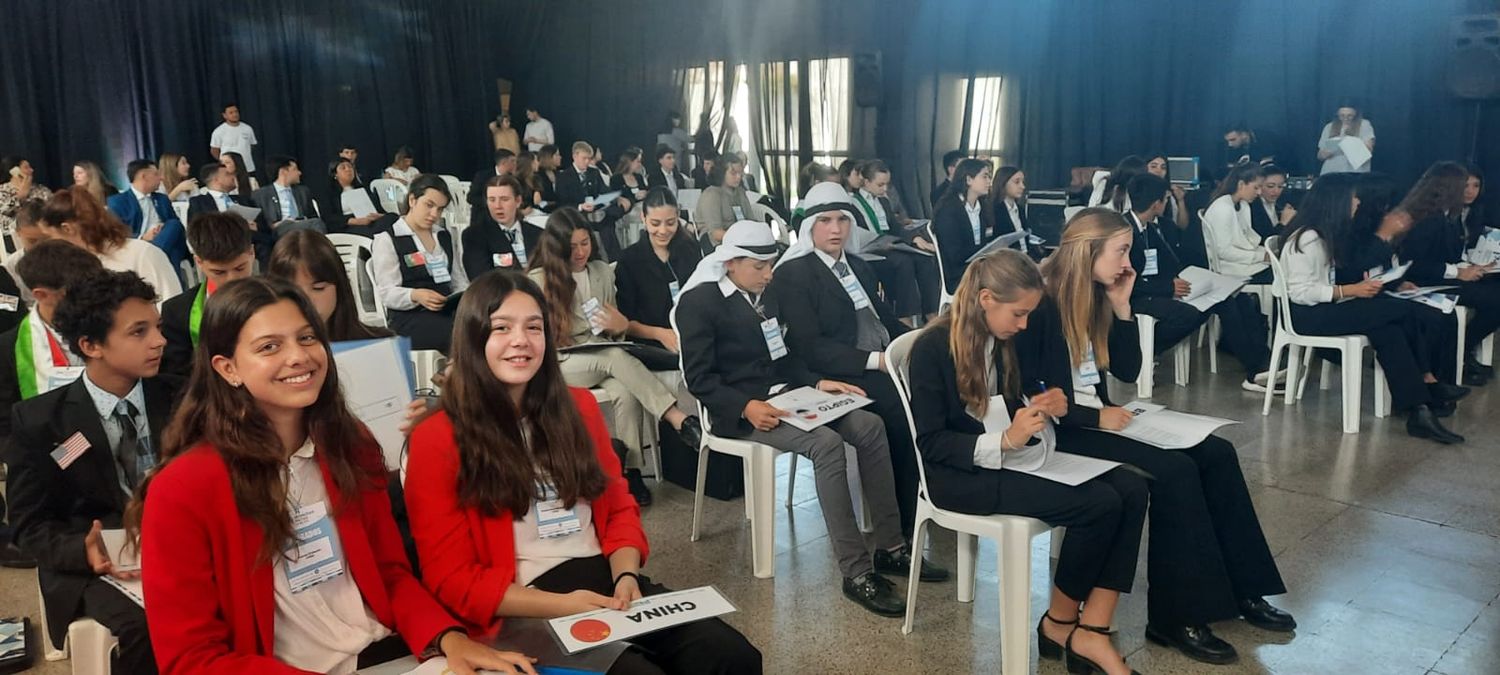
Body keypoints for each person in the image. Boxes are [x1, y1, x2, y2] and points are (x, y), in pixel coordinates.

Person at [133, 276, 535, 674]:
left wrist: (450, 638)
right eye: (270, 346)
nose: (299, 357)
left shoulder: (348, 444)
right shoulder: (183, 489)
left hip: (389, 651)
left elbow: (390, 574)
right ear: (228, 368)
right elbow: (192, 659)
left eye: (307, 338)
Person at [403, 271, 762, 674]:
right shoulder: (438, 438)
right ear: (473, 338)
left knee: (732, 657)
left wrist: (626, 574)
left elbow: (619, 508)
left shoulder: (577, 409)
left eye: (533, 327)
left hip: (607, 581)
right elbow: (450, 578)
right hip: (523, 601)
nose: (521, 340)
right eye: (501, 328)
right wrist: (565, 605)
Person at [1022, 208, 1294, 665]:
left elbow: (1126, 369)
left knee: (1218, 454)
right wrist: (1093, 420)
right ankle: (1174, 616)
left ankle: (1244, 588)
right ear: (1088, 250)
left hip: (1101, 413)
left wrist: (1123, 305)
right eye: (1121, 251)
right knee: (1174, 471)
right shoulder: (1041, 302)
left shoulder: (1096, 292)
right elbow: (1026, 386)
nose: (1128, 262)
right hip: (1062, 427)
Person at [907, 249, 1148, 675]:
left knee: (1131, 487)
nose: (1023, 325)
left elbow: (1012, 398)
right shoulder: (932, 349)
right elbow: (930, 443)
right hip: (959, 476)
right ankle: (1059, 624)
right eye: (1018, 315)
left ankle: (1092, 626)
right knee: (1100, 505)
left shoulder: (1001, 339)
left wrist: (1046, 403)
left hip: (1013, 455)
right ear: (985, 299)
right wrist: (1003, 441)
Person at [676, 220, 934, 616]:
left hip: (788, 394)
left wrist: (819, 381)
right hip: (740, 410)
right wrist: (746, 406)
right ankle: (856, 572)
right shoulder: (701, 303)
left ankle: (891, 546)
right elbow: (699, 379)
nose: (768, 274)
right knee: (827, 446)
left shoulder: (767, 294)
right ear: (730, 263)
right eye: (759, 266)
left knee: (870, 426)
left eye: (771, 265)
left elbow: (786, 354)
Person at [7, 270, 177, 674]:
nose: (159, 341)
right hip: (95, 562)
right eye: (139, 332)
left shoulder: (182, 396)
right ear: (91, 345)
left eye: (157, 327)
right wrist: (81, 550)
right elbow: (29, 524)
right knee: (146, 629)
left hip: (177, 541)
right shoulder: (41, 421)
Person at [769, 185, 935, 548]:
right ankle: (903, 527)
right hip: (833, 374)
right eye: (825, 220)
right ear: (810, 225)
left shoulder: (856, 265)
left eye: (843, 219)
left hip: (875, 363)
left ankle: (935, 498)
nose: (836, 229)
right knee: (899, 405)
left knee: (934, 389)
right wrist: (877, 362)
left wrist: (924, 342)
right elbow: (809, 347)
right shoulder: (794, 274)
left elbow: (886, 320)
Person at [526, 208, 702, 505]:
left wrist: (619, 327)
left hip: (601, 351)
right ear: (556, 247)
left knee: (625, 390)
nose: (581, 252)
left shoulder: (602, 271)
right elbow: (534, 337)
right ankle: (676, 417)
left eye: (585, 243)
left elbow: (612, 330)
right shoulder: (538, 280)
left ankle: (630, 471)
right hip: (561, 360)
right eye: (572, 246)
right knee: (615, 357)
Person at [1279, 173, 1468, 442]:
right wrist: (1349, 290)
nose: (1356, 202)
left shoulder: (1326, 234)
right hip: (1309, 316)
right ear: (1335, 201)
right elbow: (1299, 293)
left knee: (1388, 329)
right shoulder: (1307, 238)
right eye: (1352, 198)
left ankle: (1419, 411)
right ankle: (1427, 382)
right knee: (1402, 310)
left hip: (1329, 306)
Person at [1124, 174, 1275, 391]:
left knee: (1230, 299)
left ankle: (1258, 364)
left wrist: (1184, 279)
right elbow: (1122, 281)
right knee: (1187, 313)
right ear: (1157, 203)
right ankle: (1143, 349)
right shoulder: (1124, 229)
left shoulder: (1154, 227)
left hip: (1158, 287)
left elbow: (1170, 262)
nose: (1167, 204)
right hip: (1137, 295)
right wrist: (1168, 287)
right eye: (1166, 200)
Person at [1394, 161, 1500, 384]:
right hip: (1423, 283)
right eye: (1463, 185)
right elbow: (1415, 264)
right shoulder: (1426, 219)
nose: (1468, 191)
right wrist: (1458, 272)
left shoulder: (1445, 216)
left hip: (1441, 275)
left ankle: (1464, 350)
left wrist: (1470, 268)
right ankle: (1462, 353)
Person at [0, 240, 103, 435]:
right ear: (42, 295)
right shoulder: (8, 349)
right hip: (51, 451)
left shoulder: (111, 325)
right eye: (77, 293)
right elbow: (6, 426)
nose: (92, 298)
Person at [370, 174, 466, 352]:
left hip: (446, 310)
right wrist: (416, 295)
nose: (434, 215)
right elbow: (387, 293)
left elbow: (457, 279)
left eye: (440, 209)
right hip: (410, 317)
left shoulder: (443, 236)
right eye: (429, 205)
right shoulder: (388, 239)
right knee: (458, 332)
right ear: (412, 200)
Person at [160, 212, 256, 379]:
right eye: (219, 272)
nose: (231, 280)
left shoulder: (278, 300)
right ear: (199, 262)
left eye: (240, 268)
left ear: (252, 253)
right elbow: (177, 377)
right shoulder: (177, 312)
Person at [40, 188, 182, 299]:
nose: (51, 244)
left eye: (51, 236)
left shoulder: (142, 254)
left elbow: (170, 310)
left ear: (67, 228)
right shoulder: (70, 269)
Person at [613, 188, 701, 353]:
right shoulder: (630, 260)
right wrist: (659, 334)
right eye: (655, 223)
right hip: (649, 344)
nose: (663, 231)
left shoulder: (690, 251)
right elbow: (625, 321)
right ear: (643, 218)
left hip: (689, 336)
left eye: (670, 223)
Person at [267, 230, 393, 342]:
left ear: (339, 286)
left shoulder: (380, 344)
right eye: (293, 292)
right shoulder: (263, 358)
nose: (307, 301)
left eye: (318, 288)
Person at [106, 158, 191, 270]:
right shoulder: (118, 201)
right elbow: (115, 231)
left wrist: (162, 230)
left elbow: (176, 229)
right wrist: (143, 237)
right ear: (144, 176)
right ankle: (173, 285)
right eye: (156, 174)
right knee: (170, 255)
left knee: (173, 224)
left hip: (164, 240)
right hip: (137, 245)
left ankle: (154, 255)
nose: (161, 178)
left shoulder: (162, 199)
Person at [932, 159, 997, 294]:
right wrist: (986, 251)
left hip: (979, 266)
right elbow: (955, 255)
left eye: (989, 177)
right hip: (959, 273)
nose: (989, 181)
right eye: (984, 176)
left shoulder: (982, 206)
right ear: (968, 180)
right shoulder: (949, 209)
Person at [556, 141, 630, 259]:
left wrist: (615, 197)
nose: (587, 162)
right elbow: (562, 203)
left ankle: (615, 261)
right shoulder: (563, 177)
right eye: (584, 158)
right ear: (575, 156)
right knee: (601, 226)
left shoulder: (594, 172)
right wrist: (580, 206)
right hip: (577, 215)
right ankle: (598, 258)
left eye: (589, 159)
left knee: (608, 222)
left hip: (597, 212)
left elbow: (605, 190)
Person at [1201, 164, 1272, 283]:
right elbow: (1223, 251)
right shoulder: (1223, 208)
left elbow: (1247, 240)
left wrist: (1267, 253)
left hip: (1241, 262)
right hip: (1229, 267)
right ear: (1241, 184)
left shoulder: (1243, 205)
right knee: (1277, 274)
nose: (1259, 192)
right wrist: (1261, 256)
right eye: (1256, 187)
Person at [462, 175, 542, 278]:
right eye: (492, 200)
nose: (497, 206)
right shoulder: (475, 236)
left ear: (518, 201)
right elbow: (480, 278)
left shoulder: (538, 234)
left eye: (504, 199)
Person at [251, 156, 321, 257]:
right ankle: (322, 255)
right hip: (279, 229)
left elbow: (313, 216)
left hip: (302, 226)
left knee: (316, 223)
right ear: (283, 171)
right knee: (316, 224)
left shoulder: (303, 191)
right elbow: (259, 222)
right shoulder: (261, 195)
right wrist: (272, 225)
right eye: (295, 169)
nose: (299, 173)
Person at [695, 154, 757, 244]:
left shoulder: (740, 192)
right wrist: (743, 238)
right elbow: (716, 233)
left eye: (740, 173)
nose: (739, 177)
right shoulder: (711, 195)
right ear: (721, 173)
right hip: (717, 242)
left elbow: (751, 220)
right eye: (733, 173)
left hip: (741, 239)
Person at [325, 156, 396, 235]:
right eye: (343, 168)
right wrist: (355, 221)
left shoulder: (364, 188)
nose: (348, 170)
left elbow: (379, 209)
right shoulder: (330, 194)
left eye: (350, 167)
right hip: (351, 225)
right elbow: (329, 218)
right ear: (335, 174)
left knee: (394, 217)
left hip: (373, 219)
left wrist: (379, 216)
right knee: (379, 230)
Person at [990, 165, 1041, 259]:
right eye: (1017, 182)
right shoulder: (994, 210)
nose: (1022, 186)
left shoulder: (1020, 209)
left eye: (1022, 182)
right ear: (1003, 183)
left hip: (1026, 258)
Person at [1, 156, 53, 239]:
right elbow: (5, 214)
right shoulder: (2, 191)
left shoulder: (41, 190)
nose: (31, 170)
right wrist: (20, 197)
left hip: (44, 234)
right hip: (14, 237)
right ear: (14, 172)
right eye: (26, 167)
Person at [1316, 103, 1375, 175]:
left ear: (1356, 114)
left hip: (1355, 172)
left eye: (1349, 116)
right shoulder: (1329, 126)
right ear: (1337, 114)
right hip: (1331, 172)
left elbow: (1369, 150)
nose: (1345, 118)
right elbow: (1319, 155)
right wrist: (1324, 154)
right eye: (1342, 115)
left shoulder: (1364, 124)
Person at [187, 162, 254, 223]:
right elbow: (195, 230)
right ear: (216, 180)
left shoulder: (243, 199)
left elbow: (261, 226)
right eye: (228, 174)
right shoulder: (199, 202)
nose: (233, 177)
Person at [470, 149, 519, 226]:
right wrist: (491, 203)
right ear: (504, 163)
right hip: (484, 217)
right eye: (513, 161)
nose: (516, 164)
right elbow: (471, 198)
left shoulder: (513, 178)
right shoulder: (482, 176)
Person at [209, 103, 259, 174]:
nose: (235, 114)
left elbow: (252, 145)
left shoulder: (247, 128)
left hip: (247, 167)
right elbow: (214, 150)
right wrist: (224, 161)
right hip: (229, 169)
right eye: (231, 113)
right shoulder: (219, 131)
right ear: (224, 115)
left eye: (236, 112)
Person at [1249, 165, 1296, 240]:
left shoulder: (1282, 204)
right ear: (1259, 185)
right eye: (1270, 186)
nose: (1276, 191)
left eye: (1280, 187)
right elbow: (1265, 240)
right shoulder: (1252, 207)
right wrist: (1283, 223)